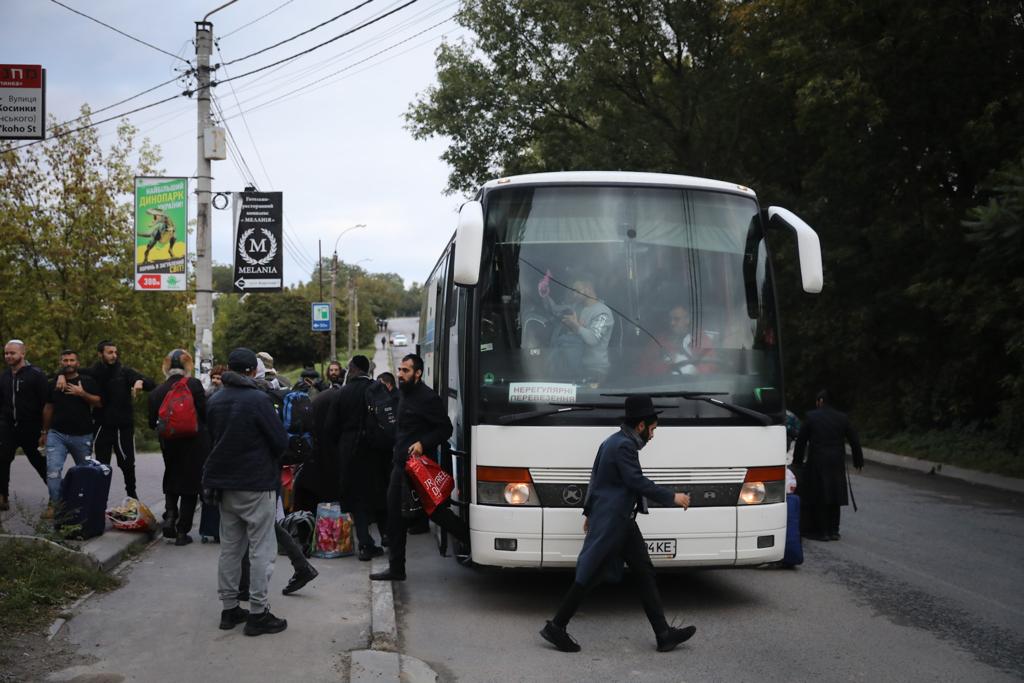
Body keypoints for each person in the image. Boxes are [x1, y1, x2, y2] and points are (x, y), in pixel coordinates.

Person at [539, 395, 696, 654]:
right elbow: (636, 481)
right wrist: (673, 497)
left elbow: (596, 477)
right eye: (653, 429)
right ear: (641, 426)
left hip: (621, 521)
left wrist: (589, 512)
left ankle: (663, 633)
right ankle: (556, 626)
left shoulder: (613, 441)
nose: (653, 436)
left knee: (643, 572)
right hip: (614, 522)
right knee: (589, 574)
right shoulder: (623, 446)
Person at [203, 347, 289, 636]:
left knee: (230, 548)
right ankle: (257, 613)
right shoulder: (258, 399)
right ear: (253, 371)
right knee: (261, 549)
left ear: (229, 369)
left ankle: (229, 610)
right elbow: (280, 441)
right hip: (257, 483)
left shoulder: (215, 400)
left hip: (224, 485)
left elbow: (212, 439)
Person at [370, 354, 469, 582]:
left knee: (436, 512)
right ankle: (397, 568)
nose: (400, 374)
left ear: (418, 373)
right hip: (400, 466)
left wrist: (422, 444)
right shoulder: (403, 394)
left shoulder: (427, 398)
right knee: (396, 516)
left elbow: (444, 429)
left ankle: (470, 541)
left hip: (418, 470)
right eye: (400, 370)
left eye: (406, 370)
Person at [70, 341, 154, 500]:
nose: (114, 355)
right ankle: (99, 500)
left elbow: (150, 383)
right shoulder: (93, 373)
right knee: (101, 466)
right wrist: (61, 375)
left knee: (128, 464)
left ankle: (132, 496)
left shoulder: (124, 372)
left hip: (123, 427)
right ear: (100, 354)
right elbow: (71, 372)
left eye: (115, 352)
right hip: (102, 426)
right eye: (110, 352)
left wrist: (139, 382)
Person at [147, 350, 209, 546]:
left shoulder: (157, 391)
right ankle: (182, 532)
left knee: (172, 477)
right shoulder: (194, 385)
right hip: (194, 443)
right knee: (190, 485)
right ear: (187, 366)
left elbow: (152, 423)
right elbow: (205, 412)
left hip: (169, 444)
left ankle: (171, 516)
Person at [327, 355, 384, 561]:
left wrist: (341, 445)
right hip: (376, 450)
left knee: (357, 498)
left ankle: (365, 543)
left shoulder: (343, 393)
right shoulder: (377, 389)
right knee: (379, 493)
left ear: (353, 369)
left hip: (350, 449)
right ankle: (387, 538)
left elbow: (330, 427)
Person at [792, 390, 864, 542]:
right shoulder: (842, 418)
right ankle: (834, 530)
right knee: (835, 493)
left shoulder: (812, 417)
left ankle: (822, 532)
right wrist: (858, 460)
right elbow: (854, 440)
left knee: (819, 494)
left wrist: (797, 463)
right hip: (837, 461)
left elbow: (801, 441)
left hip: (817, 461)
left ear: (820, 401)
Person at [40, 350, 102, 515]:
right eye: (65, 360)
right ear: (61, 363)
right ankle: (55, 506)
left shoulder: (87, 381)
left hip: (82, 436)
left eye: (71, 360)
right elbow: (48, 407)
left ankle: (83, 506)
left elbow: (99, 403)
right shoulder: (53, 383)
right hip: (57, 434)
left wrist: (81, 393)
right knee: (53, 471)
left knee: (85, 472)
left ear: (78, 363)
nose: (68, 363)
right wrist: (44, 432)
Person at [0, 340, 52, 511]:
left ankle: (58, 499)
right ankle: (3, 497)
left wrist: (44, 431)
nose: (8, 356)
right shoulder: (4, 376)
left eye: (12, 353)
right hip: (8, 428)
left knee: (40, 464)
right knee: (2, 460)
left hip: (31, 428)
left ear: (23, 354)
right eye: (6, 353)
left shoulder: (36, 375)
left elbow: (47, 404)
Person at [540, 274, 614, 384]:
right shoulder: (577, 307)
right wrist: (545, 295)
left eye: (576, 290)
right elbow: (555, 311)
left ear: (588, 288)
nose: (574, 294)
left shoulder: (603, 312)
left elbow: (593, 339)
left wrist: (576, 327)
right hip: (575, 367)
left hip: (595, 371)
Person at [641, 305, 715, 376]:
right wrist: (665, 364)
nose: (672, 323)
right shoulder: (657, 342)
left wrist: (683, 363)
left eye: (676, 319)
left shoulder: (701, 339)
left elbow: (709, 371)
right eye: (670, 319)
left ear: (687, 320)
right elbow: (643, 370)